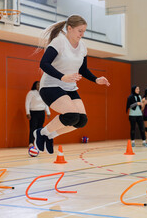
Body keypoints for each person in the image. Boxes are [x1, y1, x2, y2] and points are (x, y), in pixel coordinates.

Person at [34, 15, 110, 154]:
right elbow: (44, 64)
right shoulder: (59, 42)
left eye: (84, 31)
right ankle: (41, 133)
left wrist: (96, 79)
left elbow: (82, 69)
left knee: (81, 121)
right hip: (51, 86)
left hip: (69, 87)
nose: (82, 34)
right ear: (69, 28)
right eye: (79, 31)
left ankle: (49, 135)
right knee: (72, 116)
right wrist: (62, 77)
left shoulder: (82, 46)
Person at [25, 81, 50, 148]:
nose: (39, 86)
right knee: (33, 128)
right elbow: (27, 103)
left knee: (40, 128)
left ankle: (38, 143)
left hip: (41, 112)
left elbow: (45, 103)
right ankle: (31, 142)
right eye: (37, 85)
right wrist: (28, 112)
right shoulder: (31, 93)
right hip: (33, 112)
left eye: (40, 84)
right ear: (35, 85)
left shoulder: (43, 93)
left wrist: (48, 112)